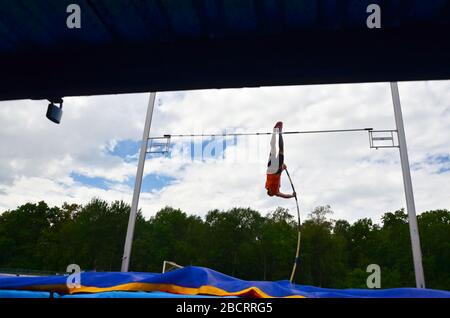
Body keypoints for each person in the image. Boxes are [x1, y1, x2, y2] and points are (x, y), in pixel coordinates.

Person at [265, 121, 296, 199]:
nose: (273, 194)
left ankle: (279, 132)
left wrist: (292, 196)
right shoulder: (267, 186)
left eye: (271, 194)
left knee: (279, 150)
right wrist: (282, 168)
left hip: (274, 171)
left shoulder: (275, 192)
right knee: (273, 148)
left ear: (270, 192)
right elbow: (275, 179)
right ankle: (275, 131)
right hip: (271, 170)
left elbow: (284, 196)